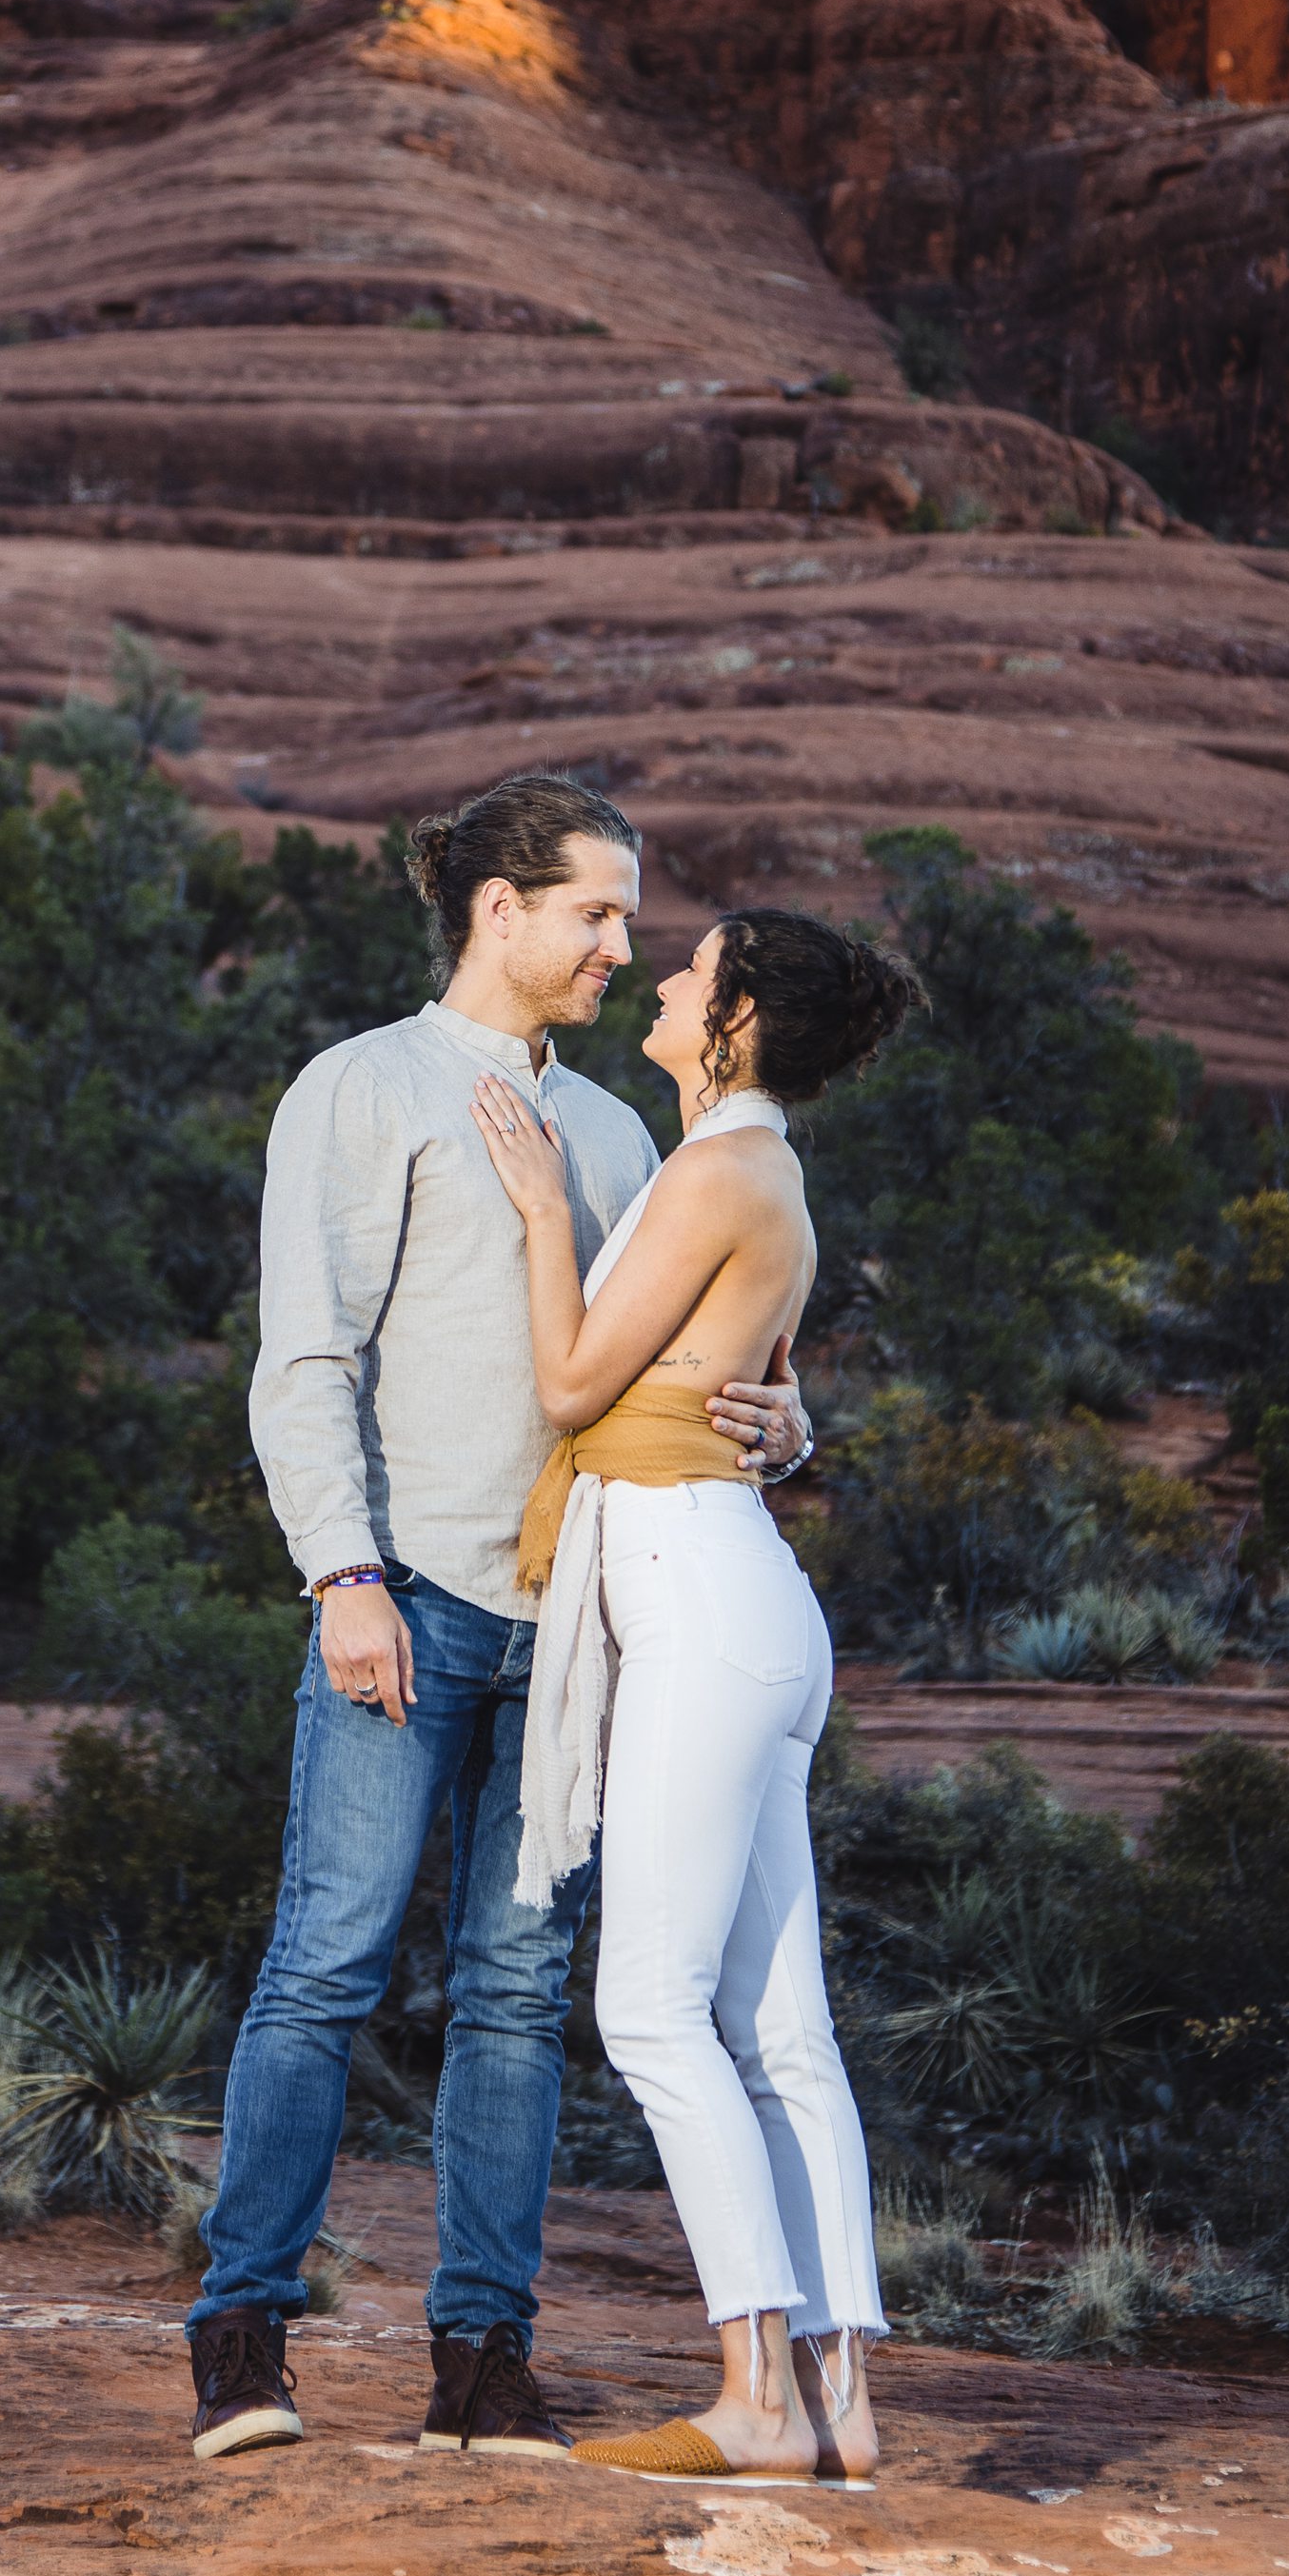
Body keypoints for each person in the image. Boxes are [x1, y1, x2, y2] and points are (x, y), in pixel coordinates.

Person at [184, 773, 817, 2464]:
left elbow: (691, 1354)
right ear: (502, 913)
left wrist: (786, 1417)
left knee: (517, 1998)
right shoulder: (364, 1088)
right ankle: (242, 2340)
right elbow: (303, 1356)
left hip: (584, 1629)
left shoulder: (619, 1136)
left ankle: (485, 2365)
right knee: (324, 1969)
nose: (625, 944)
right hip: (410, 1600)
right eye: (598, 912)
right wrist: (344, 1574)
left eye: (629, 918)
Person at [468, 908, 920, 2479]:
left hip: (696, 1588)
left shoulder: (720, 1168)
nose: (659, 979)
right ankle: (844, 2406)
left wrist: (539, 1208)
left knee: (652, 2010)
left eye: (690, 969)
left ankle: (757, 2401)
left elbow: (575, 1385)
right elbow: (737, 1396)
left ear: (729, 1024)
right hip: (748, 1599)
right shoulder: (764, 1169)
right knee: (778, 2025)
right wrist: (784, 1428)